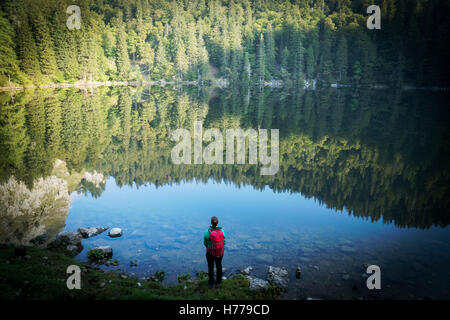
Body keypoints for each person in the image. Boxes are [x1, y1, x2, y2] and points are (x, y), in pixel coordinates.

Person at [203, 216, 226, 288]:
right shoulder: (222, 231)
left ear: (211, 223)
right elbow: (224, 242)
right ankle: (219, 281)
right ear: (217, 223)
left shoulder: (207, 232)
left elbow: (205, 243)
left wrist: (210, 247)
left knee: (211, 267)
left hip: (210, 253)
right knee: (219, 266)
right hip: (219, 252)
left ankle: (211, 283)